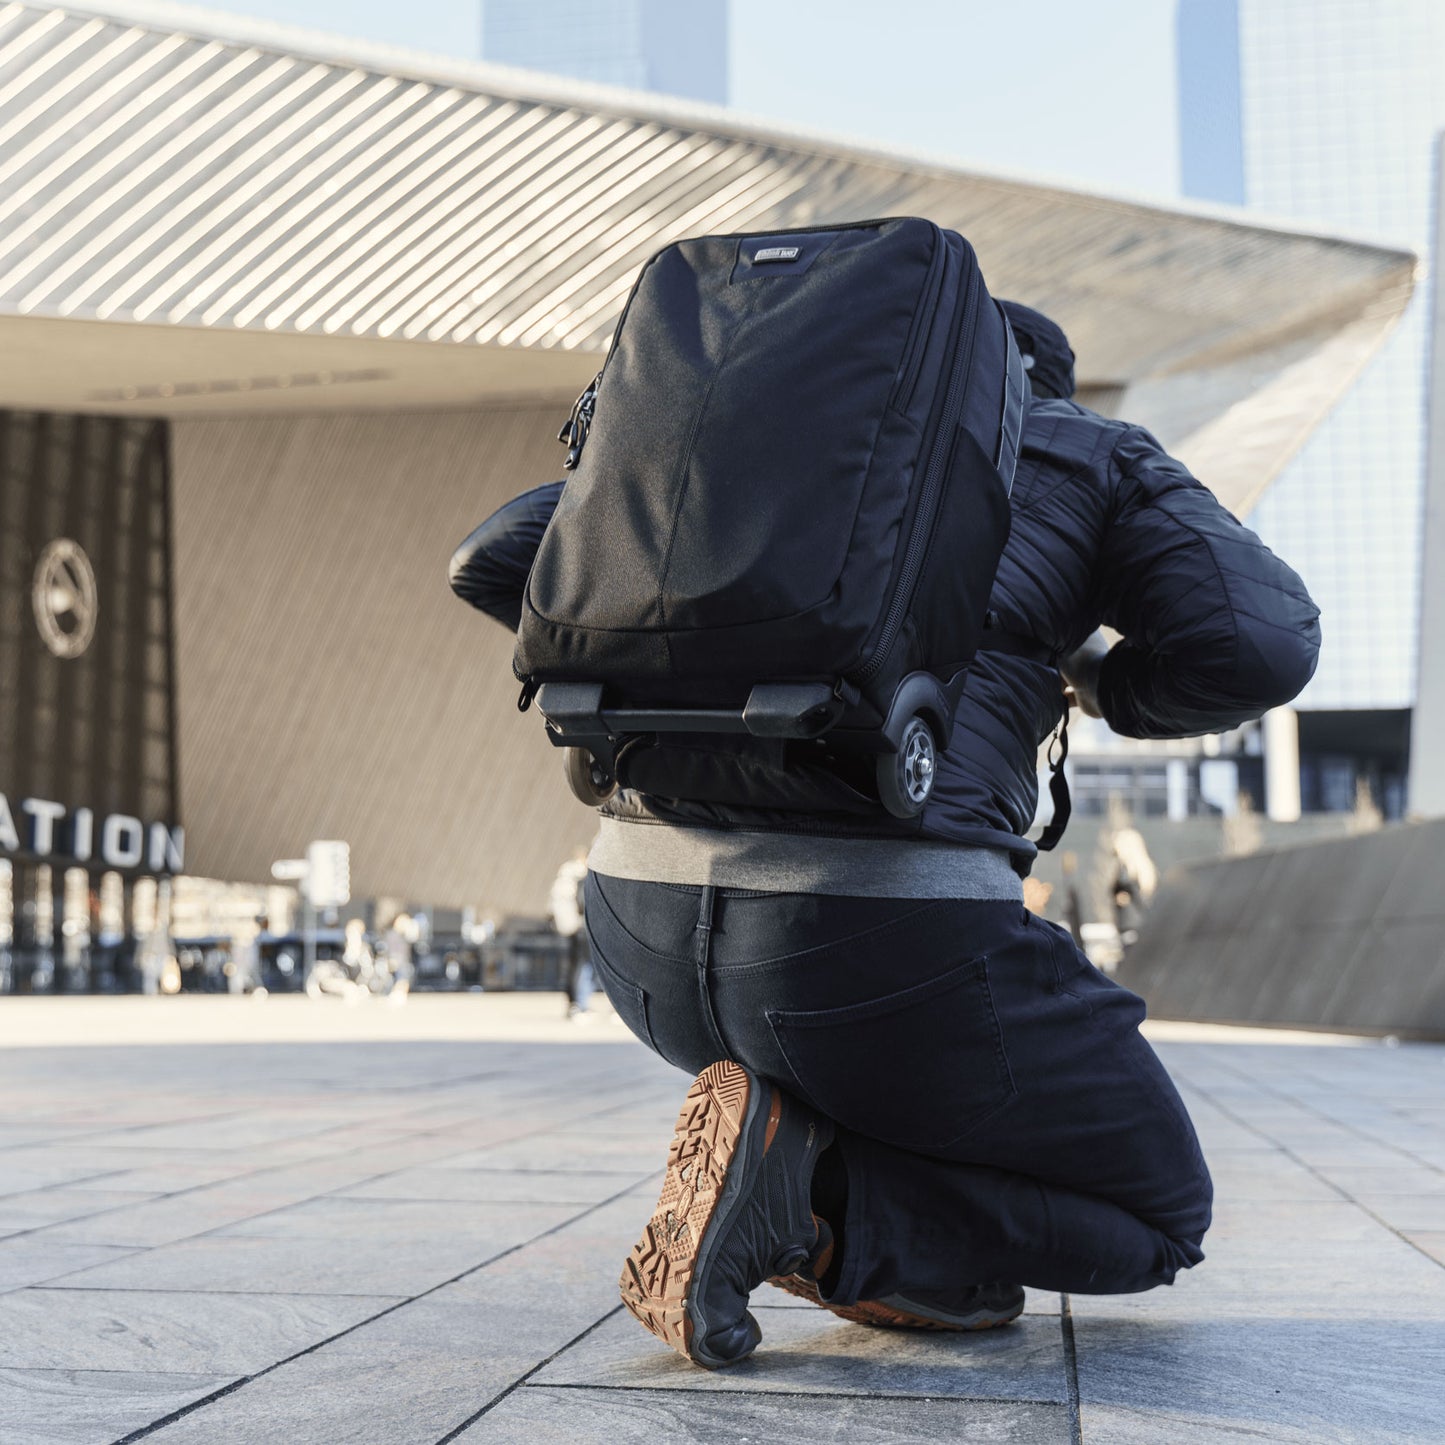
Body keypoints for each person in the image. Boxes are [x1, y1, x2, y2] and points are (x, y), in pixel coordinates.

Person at [449, 300, 1320, 1369]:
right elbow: (1255, 645)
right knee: (1156, 1215)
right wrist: (1093, 674)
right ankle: (811, 1196)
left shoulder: (742, 432)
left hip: (638, 933)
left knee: (885, 1075)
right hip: (883, 939)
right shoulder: (1084, 450)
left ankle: (825, 1194)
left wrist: (658, 672)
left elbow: (494, 558)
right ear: (1036, 382)